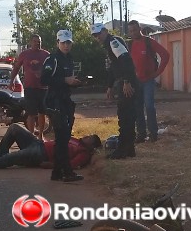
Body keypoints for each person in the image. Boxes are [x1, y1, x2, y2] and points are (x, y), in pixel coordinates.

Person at [42, 29, 85, 182]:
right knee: (62, 137)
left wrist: (74, 83)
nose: (66, 45)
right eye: (63, 43)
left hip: (66, 100)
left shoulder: (69, 59)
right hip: (55, 102)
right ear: (57, 43)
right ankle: (66, 172)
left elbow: (67, 80)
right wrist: (64, 81)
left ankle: (57, 172)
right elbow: (44, 79)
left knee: (64, 137)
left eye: (68, 43)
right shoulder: (52, 59)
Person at [0, 123, 101, 171]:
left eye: (90, 139)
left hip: (40, 154)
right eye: (89, 135)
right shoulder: (76, 140)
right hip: (39, 144)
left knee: (10, 158)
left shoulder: (83, 153)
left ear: (92, 147)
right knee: (14, 128)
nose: (87, 137)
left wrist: (51, 165)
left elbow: (69, 165)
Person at [91, 23, 139, 159]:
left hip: (127, 83)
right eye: (95, 35)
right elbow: (114, 67)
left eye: (99, 33)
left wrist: (126, 81)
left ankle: (123, 149)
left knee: (125, 117)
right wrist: (110, 86)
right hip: (122, 82)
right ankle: (129, 149)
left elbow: (127, 61)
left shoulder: (113, 42)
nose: (97, 37)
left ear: (105, 31)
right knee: (127, 116)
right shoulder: (109, 44)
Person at [127, 21, 171, 143]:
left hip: (148, 82)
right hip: (136, 81)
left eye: (135, 30)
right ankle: (141, 134)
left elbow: (165, 55)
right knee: (137, 108)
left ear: (139, 29)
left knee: (150, 107)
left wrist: (157, 73)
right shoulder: (129, 44)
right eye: (130, 31)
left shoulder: (148, 42)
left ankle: (153, 134)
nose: (133, 33)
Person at [11, 34, 51, 140]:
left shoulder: (46, 54)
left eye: (39, 41)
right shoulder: (24, 54)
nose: (37, 43)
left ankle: (41, 134)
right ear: (30, 42)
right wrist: (12, 81)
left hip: (43, 88)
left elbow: (51, 70)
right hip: (29, 87)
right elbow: (16, 68)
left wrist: (43, 75)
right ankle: (30, 136)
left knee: (42, 112)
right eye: (35, 41)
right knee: (31, 113)